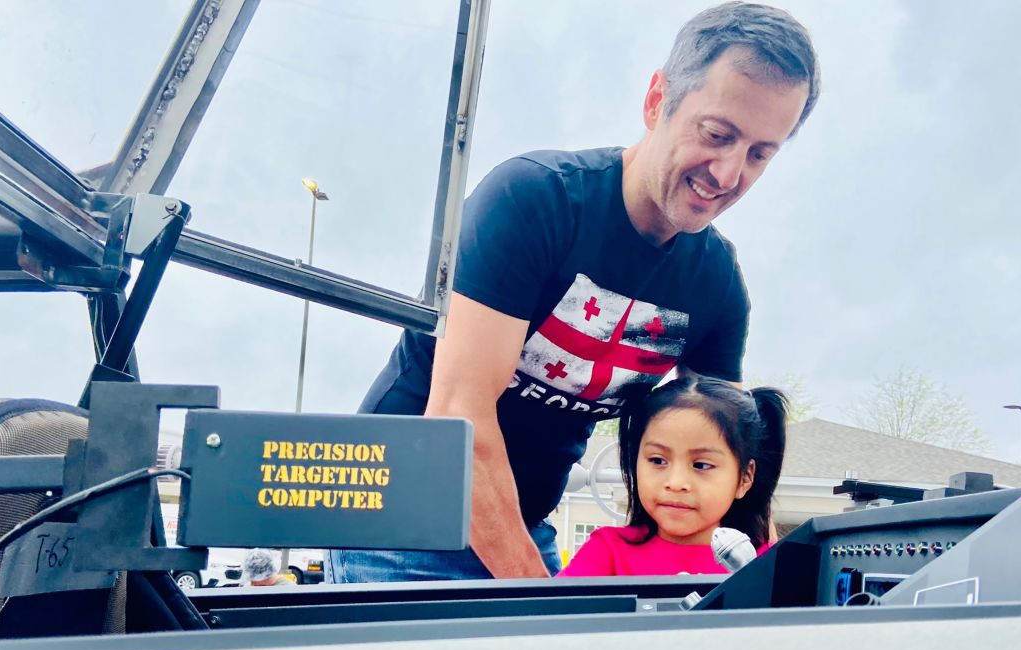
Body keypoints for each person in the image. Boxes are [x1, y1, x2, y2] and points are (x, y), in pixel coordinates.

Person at [330, 2, 819, 582]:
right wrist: (542, 601)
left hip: (526, 527)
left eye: (761, 154)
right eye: (717, 134)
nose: (729, 172)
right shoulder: (534, 200)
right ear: (657, 99)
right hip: (401, 522)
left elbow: (720, 447)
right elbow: (457, 416)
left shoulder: (716, 285)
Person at [558, 375, 787, 576]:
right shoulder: (606, 552)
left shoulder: (765, 566)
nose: (676, 483)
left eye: (701, 465)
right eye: (658, 460)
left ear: (745, 478)